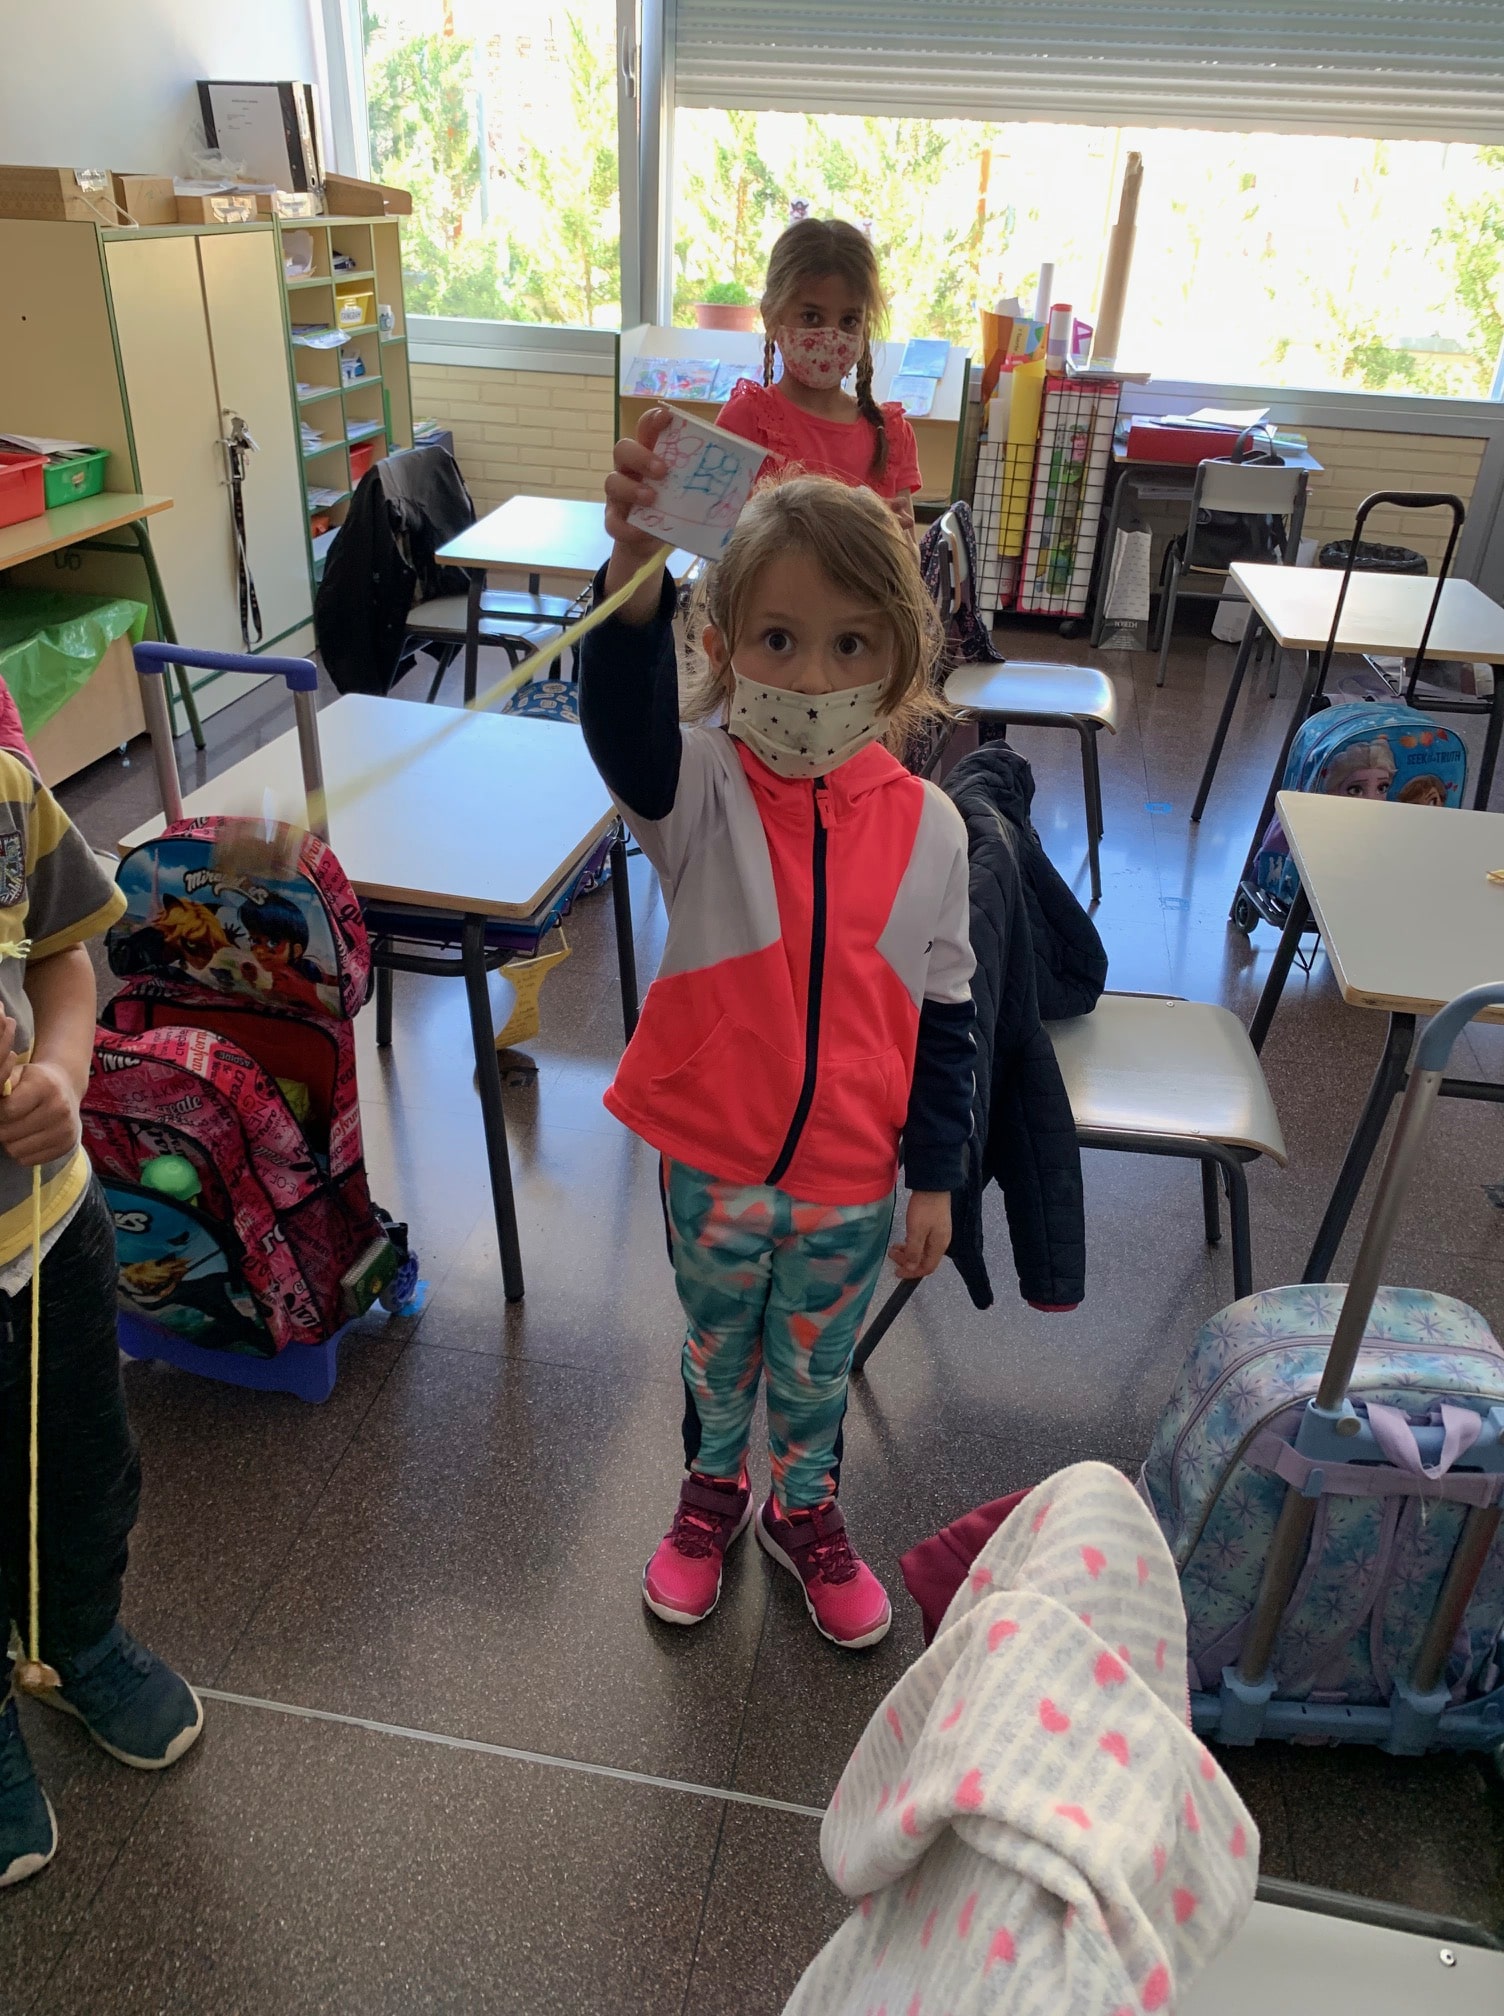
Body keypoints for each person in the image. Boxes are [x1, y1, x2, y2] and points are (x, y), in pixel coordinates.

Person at [580, 413, 976, 1650]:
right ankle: (711, 1495)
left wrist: (935, 1177)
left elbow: (950, 1016)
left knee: (814, 1367)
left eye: (849, 644)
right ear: (723, 646)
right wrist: (631, 572)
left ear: (898, 655)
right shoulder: (699, 789)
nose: (809, 678)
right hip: (712, 1159)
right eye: (778, 640)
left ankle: (804, 1510)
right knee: (716, 1354)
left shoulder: (931, 828)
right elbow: (625, 733)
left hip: (852, 1176)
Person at [0, 752, 202, 1890]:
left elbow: (61, 956)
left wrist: (63, 1071)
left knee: (84, 1465)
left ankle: (77, 1638)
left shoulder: (5, 793)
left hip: (49, 1230)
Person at [716, 218, 924, 539]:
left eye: (849, 320)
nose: (831, 335)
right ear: (772, 316)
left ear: (865, 327)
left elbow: (908, 558)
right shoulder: (746, 422)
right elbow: (716, 548)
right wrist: (856, 525)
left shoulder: (892, 434)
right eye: (811, 317)